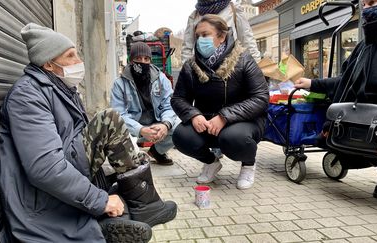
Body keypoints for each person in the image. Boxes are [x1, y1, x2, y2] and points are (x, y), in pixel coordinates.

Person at [0, 23, 176, 243]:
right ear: (48, 63)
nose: (79, 61)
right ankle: (130, 210)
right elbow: (44, 167)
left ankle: (144, 205)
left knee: (110, 121)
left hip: (67, 167)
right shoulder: (26, 96)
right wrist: (100, 200)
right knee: (109, 120)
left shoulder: (59, 88)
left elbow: (76, 141)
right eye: (70, 56)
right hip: (40, 200)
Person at [171, 15, 269, 189]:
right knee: (181, 136)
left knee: (232, 138)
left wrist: (224, 116)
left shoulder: (244, 60)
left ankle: (248, 164)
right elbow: (178, 98)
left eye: (205, 35)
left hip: (243, 121)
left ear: (222, 36)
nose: (200, 40)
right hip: (207, 121)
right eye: (198, 36)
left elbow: (261, 98)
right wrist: (193, 115)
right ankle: (211, 162)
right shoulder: (190, 66)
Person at [295, 0, 377, 104]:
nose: (366, 8)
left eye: (371, 3)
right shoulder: (362, 48)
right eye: (363, 4)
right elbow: (345, 81)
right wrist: (312, 83)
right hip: (356, 117)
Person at [111, 42, 180, 165]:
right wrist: (141, 129)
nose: (142, 62)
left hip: (156, 124)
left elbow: (169, 105)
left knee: (179, 128)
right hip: (133, 128)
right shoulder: (119, 84)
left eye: (146, 59)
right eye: (138, 58)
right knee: (114, 132)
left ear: (150, 61)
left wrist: (165, 125)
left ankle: (157, 152)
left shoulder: (161, 79)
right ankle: (133, 153)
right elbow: (119, 114)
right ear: (131, 60)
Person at [181, 0, 261, 64]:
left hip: (232, 69)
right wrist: (187, 72)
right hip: (202, 71)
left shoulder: (233, 10)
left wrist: (257, 69)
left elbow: (248, 41)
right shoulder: (194, 16)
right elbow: (187, 50)